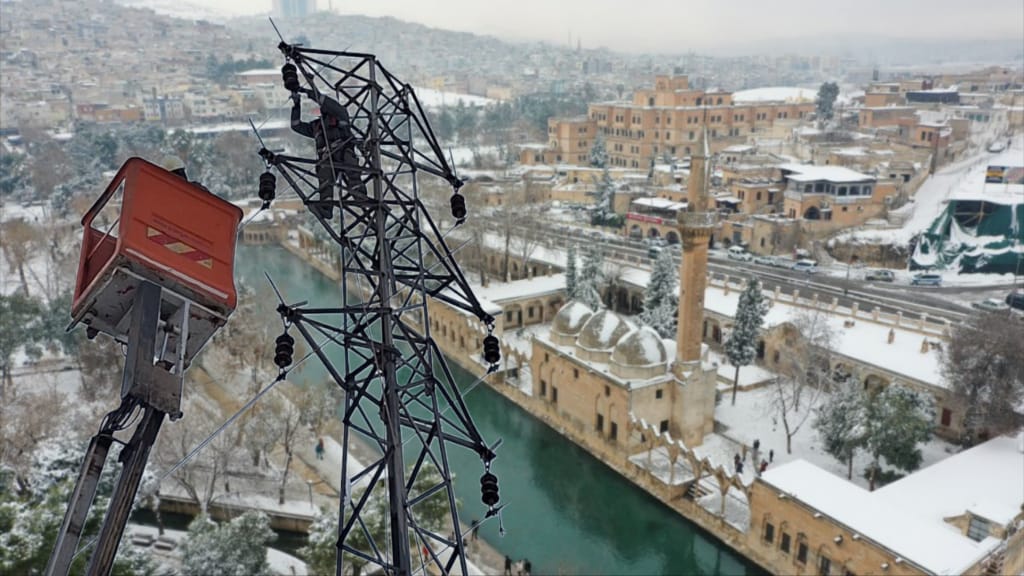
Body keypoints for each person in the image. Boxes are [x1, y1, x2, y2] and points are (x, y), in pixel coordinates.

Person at [289, 88, 367, 219]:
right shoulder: (317, 126)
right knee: (325, 179)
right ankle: (326, 208)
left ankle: (361, 198)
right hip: (327, 159)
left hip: (343, 154)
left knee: (352, 172)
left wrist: (311, 93)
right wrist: (296, 105)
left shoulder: (341, 116)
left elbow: (330, 105)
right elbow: (296, 125)